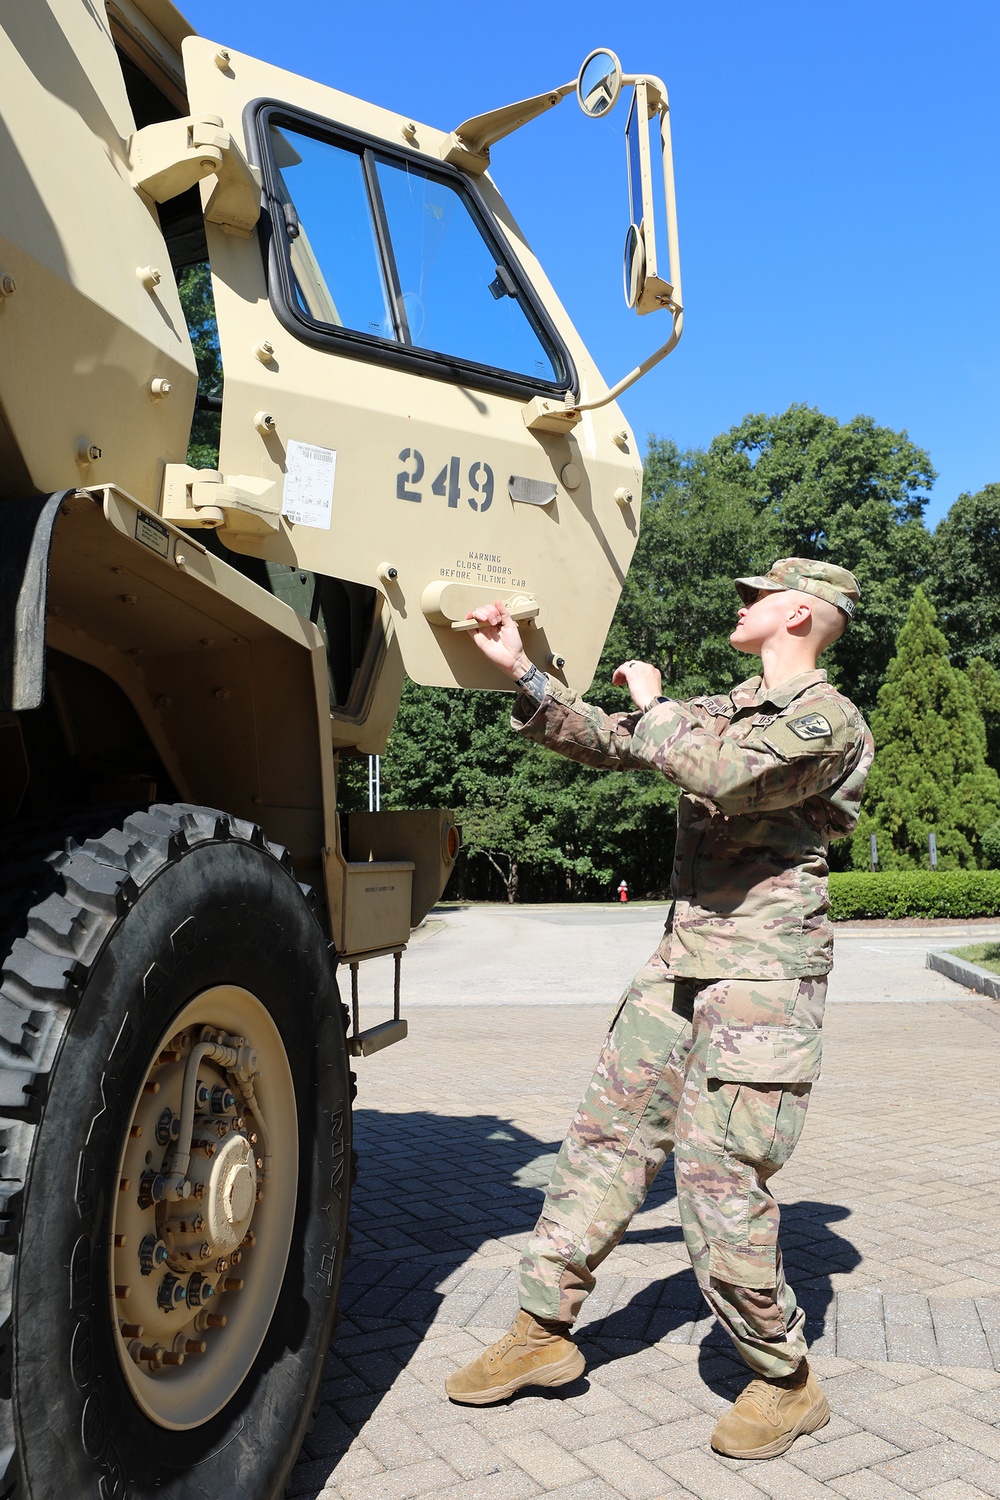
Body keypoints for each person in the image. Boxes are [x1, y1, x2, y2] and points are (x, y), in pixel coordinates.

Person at [444, 558, 874, 1462]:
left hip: (761, 977)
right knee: (603, 1143)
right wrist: (520, 669)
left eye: (754, 595)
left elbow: (718, 773)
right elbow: (615, 741)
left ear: (799, 613)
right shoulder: (733, 702)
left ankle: (784, 1381)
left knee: (720, 1180)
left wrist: (654, 706)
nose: (740, 602)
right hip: (679, 967)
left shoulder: (825, 719)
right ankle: (541, 1333)